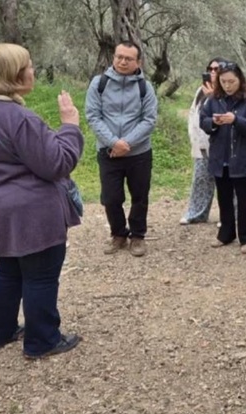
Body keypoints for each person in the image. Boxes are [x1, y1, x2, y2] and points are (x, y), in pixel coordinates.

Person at [0, 43, 83, 358]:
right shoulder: (19, 118)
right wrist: (70, 126)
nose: (33, 70)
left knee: (9, 269)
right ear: (15, 75)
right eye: (29, 65)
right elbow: (56, 163)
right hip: (33, 214)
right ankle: (42, 340)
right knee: (41, 274)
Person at [86, 40, 158, 257]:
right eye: (119, 57)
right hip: (109, 152)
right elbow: (92, 116)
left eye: (128, 58)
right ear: (113, 57)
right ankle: (118, 234)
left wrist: (127, 143)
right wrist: (114, 143)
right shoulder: (99, 83)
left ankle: (137, 236)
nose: (123, 61)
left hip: (139, 153)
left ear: (138, 62)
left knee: (139, 196)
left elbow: (149, 120)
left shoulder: (145, 87)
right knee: (111, 197)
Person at [200, 61, 246, 254]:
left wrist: (236, 120)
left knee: (244, 198)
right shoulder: (213, 99)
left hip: (243, 157)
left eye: (231, 81)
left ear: (240, 80)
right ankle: (226, 234)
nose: (228, 86)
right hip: (220, 157)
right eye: (224, 82)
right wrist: (212, 122)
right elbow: (203, 121)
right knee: (224, 197)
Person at [180, 57, 226, 226]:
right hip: (202, 144)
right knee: (201, 179)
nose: (213, 72)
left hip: (222, 144)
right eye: (210, 69)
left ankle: (229, 216)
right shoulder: (201, 91)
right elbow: (194, 114)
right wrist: (193, 137)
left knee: (226, 182)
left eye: (217, 69)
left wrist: (213, 96)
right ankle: (197, 213)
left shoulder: (228, 91)